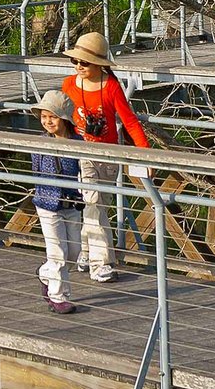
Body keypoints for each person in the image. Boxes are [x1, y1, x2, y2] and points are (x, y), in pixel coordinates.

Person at [60, 32, 150, 283]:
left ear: (99, 64)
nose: (79, 66)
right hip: (81, 153)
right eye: (75, 61)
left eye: (85, 62)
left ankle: (86, 251)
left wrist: (144, 155)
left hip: (108, 156)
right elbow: (61, 117)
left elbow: (130, 122)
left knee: (98, 206)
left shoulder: (111, 87)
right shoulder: (69, 84)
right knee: (93, 203)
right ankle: (101, 263)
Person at [29, 91, 84, 314]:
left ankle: (45, 274)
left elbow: (85, 169)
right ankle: (58, 297)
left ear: (65, 119)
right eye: (44, 117)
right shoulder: (40, 142)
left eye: (53, 117)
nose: (47, 121)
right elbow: (36, 172)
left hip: (71, 203)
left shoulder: (78, 142)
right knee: (58, 253)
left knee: (73, 252)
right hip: (48, 204)